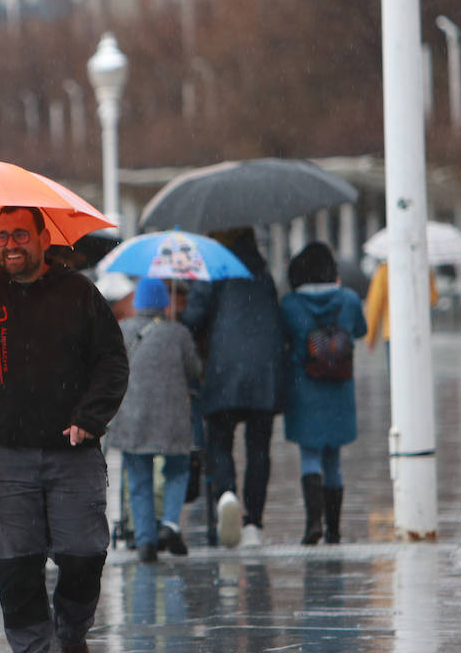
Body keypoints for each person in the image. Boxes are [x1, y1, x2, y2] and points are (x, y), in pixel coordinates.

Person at [0, 206, 129, 653]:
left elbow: (112, 361)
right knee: (17, 568)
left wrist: (90, 417)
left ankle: (73, 634)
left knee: (84, 556)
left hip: (72, 451)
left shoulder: (78, 293)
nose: (10, 244)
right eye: (1, 236)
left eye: (20, 234)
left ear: (42, 237)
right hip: (2, 454)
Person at [181, 227, 287, 549]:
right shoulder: (263, 272)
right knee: (259, 449)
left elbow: (195, 318)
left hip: (225, 368)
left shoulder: (213, 268)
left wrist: (180, 317)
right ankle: (253, 523)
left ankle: (227, 494)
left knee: (220, 442)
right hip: (265, 370)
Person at [106, 277, 203, 564]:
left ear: (137, 302)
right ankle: (170, 524)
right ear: (164, 301)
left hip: (133, 416)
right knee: (178, 470)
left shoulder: (122, 331)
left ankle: (146, 540)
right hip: (172, 418)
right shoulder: (178, 333)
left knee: (139, 478)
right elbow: (195, 369)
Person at [280, 242, 367, 546]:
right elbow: (360, 331)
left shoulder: (290, 305)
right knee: (334, 459)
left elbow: (284, 338)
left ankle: (312, 524)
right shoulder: (349, 300)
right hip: (339, 387)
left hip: (305, 387)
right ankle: (334, 529)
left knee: (310, 454)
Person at [362, 259, 439, 355]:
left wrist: (370, 337)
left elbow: (374, 306)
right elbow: (433, 299)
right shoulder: (422, 269)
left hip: (392, 331)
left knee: (396, 368)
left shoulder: (384, 270)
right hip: (418, 332)